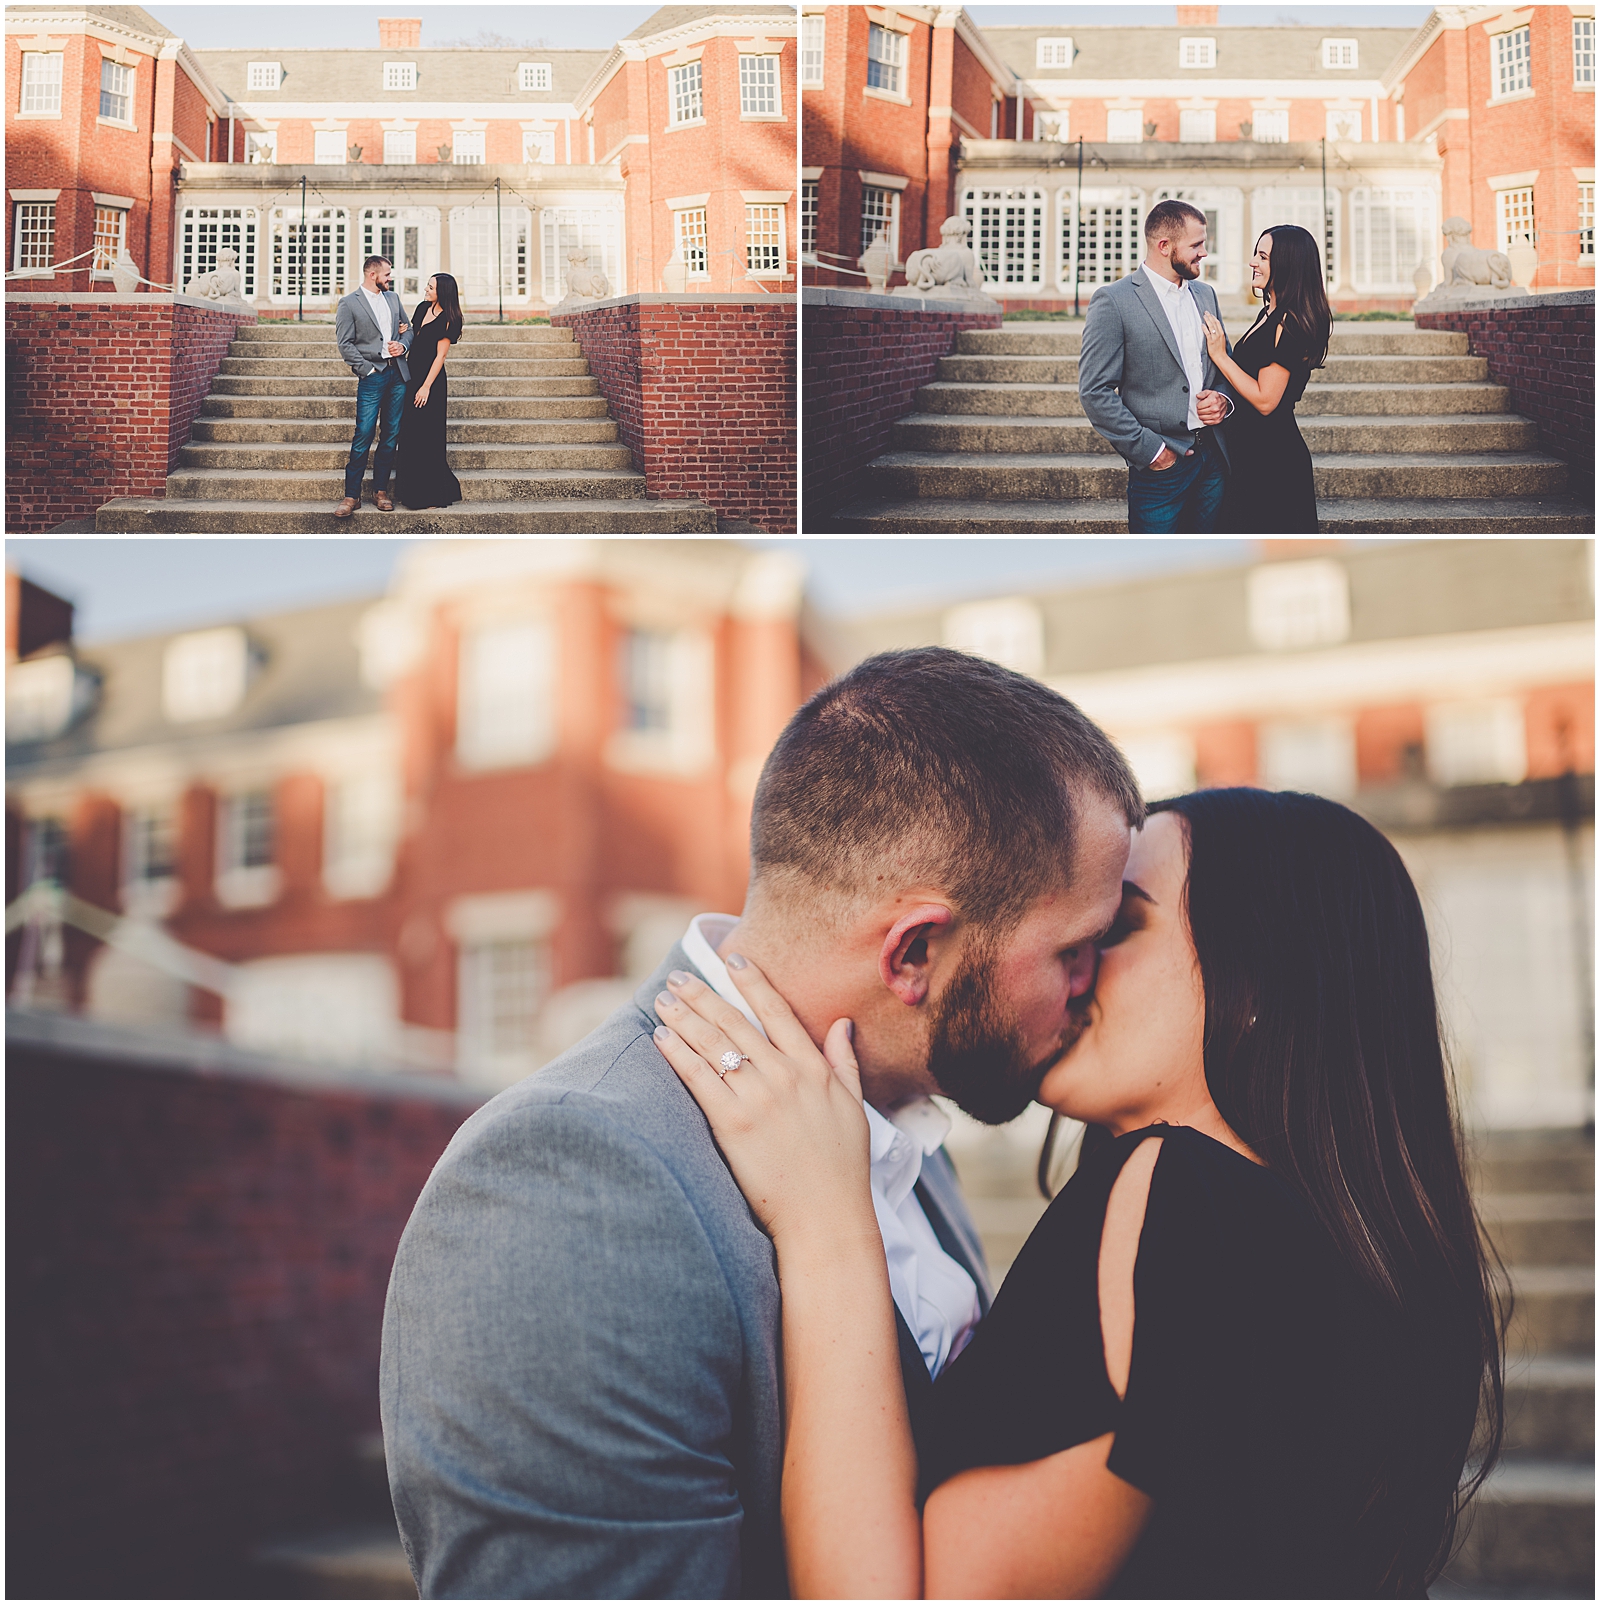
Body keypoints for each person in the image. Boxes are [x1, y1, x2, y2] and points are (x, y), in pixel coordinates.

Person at [379, 647, 1144, 1598]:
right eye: (1072, 948)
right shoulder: (568, 1180)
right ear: (915, 952)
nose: (1093, 983)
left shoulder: (901, 1113)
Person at [657, 787, 1506, 1599]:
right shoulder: (1330, 1251)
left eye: (1116, 924)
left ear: (1260, 982)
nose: (1073, 959)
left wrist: (825, 1224)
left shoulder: (1183, 1194)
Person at [1078, 200, 1236, 534]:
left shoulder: (1206, 294)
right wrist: (1152, 452)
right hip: (1161, 469)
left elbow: (1225, 366)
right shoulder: (1114, 301)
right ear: (1164, 246)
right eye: (1196, 245)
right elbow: (1095, 392)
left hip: (1214, 459)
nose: (1204, 253)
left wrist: (1223, 399)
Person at [1202, 225, 1330, 534]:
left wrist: (1219, 355)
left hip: (1273, 461)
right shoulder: (1270, 313)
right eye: (1255, 254)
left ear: (1286, 264)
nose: (1253, 263)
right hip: (1251, 454)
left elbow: (1265, 400)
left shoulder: (1293, 321)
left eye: (1263, 256)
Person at [332, 254, 412, 519]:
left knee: (390, 435)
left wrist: (403, 344)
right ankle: (351, 495)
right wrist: (366, 370)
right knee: (364, 434)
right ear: (372, 275)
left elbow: (408, 330)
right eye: (387, 274)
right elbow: (345, 344)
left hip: (397, 374)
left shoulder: (393, 299)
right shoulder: (348, 303)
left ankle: (380, 491)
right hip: (372, 376)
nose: (390, 278)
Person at [394, 273, 464, 511]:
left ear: (442, 291)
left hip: (430, 382)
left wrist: (426, 386)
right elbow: (415, 335)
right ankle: (408, 490)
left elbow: (440, 356)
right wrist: (405, 331)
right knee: (410, 432)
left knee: (427, 436)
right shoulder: (423, 307)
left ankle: (429, 494)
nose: (426, 289)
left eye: (430, 287)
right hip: (411, 375)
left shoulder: (450, 318)